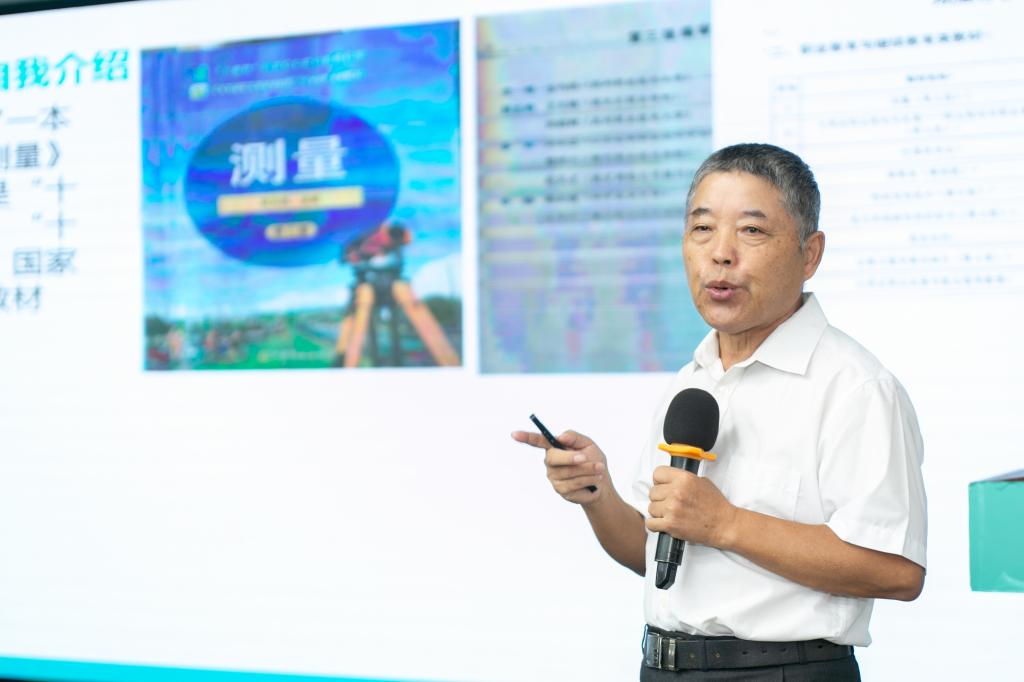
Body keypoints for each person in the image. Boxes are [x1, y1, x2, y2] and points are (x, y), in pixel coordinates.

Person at [512, 143, 927, 681]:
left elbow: (896, 570)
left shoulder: (855, 387)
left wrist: (726, 523)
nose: (720, 254)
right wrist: (597, 493)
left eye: (751, 230)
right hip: (663, 668)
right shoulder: (693, 380)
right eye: (702, 229)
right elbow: (654, 554)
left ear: (810, 254)